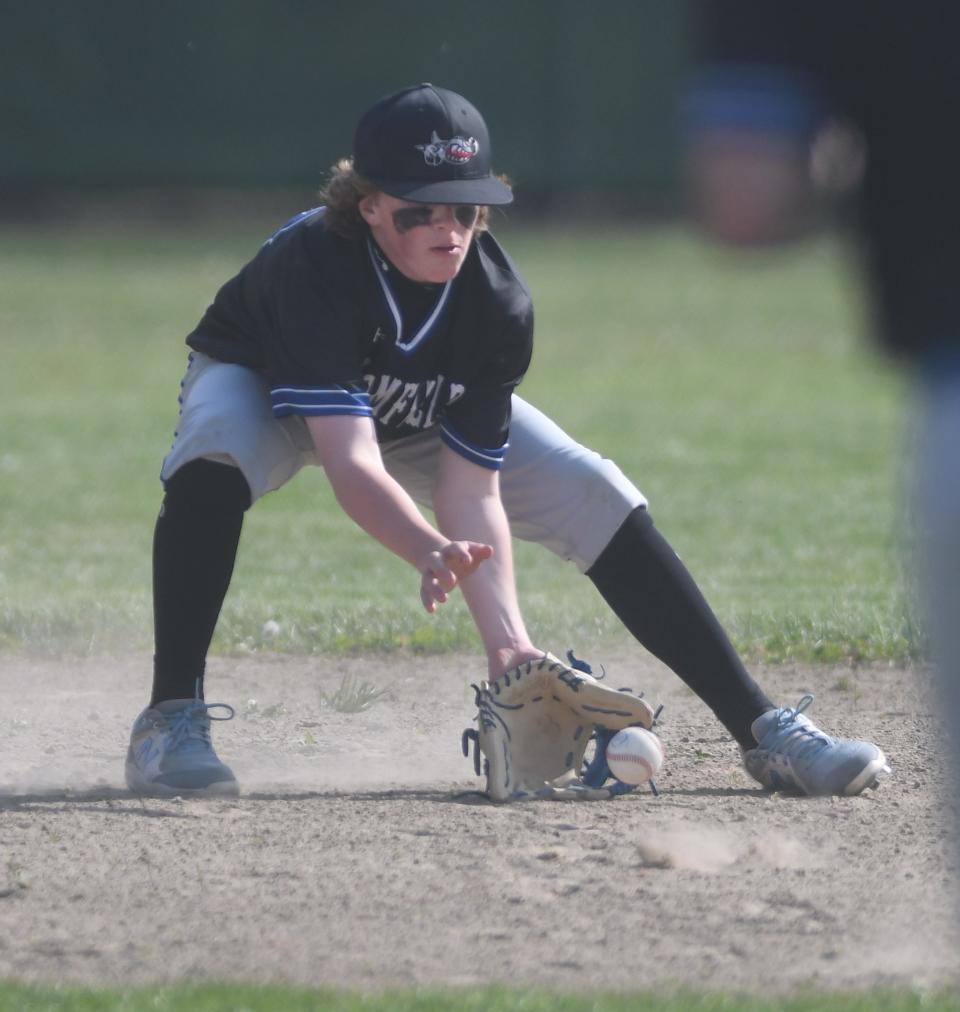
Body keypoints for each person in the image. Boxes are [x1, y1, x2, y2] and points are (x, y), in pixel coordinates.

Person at [124, 82, 887, 799]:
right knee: (213, 457)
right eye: (420, 210)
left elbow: (471, 488)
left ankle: (765, 729)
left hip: (415, 407)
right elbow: (351, 460)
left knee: (595, 492)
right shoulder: (315, 269)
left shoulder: (495, 303)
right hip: (267, 382)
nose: (446, 229)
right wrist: (426, 547)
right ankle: (169, 721)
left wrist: (509, 647)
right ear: (368, 205)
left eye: (466, 210)